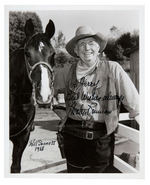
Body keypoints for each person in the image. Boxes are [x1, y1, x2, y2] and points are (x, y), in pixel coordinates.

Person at [58, 26, 139, 173]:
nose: (86, 48)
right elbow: (48, 96)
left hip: (101, 140)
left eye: (91, 43)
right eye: (81, 44)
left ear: (98, 48)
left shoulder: (113, 68)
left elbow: (135, 104)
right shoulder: (67, 71)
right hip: (72, 139)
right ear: (76, 50)